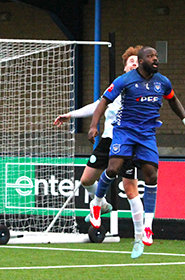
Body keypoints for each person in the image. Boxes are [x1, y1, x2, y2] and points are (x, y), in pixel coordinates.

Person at [87, 46, 185, 259]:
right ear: (140, 61)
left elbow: (173, 100)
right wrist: (93, 126)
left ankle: (147, 226)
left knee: (152, 175)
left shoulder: (162, 82)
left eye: (156, 56)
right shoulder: (125, 80)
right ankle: (97, 203)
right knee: (113, 168)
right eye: (150, 56)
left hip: (147, 134)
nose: (155, 59)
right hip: (125, 131)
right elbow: (103, 101)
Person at [54, 46, 145, 233]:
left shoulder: (145, 88)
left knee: (130, 189)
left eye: (138, 62)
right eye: (131, 61)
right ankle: (101, 204)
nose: (134, 64)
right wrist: (71, 115)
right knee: (86, 180)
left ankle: (142, 231)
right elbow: (98, 105)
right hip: (108, 140)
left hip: (128, 142)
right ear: (125, 67)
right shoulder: (117, 86)